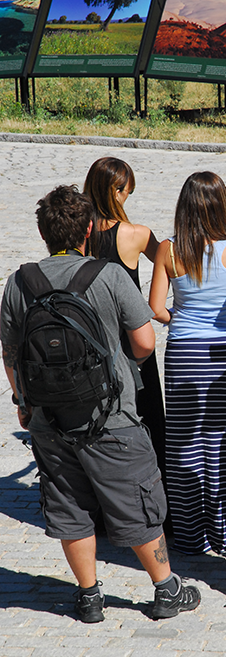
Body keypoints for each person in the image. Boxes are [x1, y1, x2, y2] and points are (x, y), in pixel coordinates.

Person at [0, 186, 200, 622]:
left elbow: (11, 352)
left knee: (69, 506)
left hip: (48, 419)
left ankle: (89, 596)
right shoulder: (107, 275)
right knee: (137, 500)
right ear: (88, 229)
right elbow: (145, 343)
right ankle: (166, 589)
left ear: (42, 233)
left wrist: (22, 401)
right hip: (110, 416)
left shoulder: (19, 282)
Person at [149, 171, 226, 554]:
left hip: (184, 355)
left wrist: (179, 319)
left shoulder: (168, 249)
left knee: (184, 443)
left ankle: (189, 534)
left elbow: (154, 307)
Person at [83, 157, 166, 482]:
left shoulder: (83, 234)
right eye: (127, 192)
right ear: (117, 192)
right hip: (132, 339)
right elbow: (171, 261)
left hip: (92, 336)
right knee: (147, 419)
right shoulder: (136, 234)